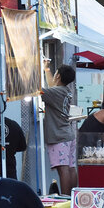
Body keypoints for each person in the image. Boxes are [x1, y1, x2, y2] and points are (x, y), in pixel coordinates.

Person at [42, 64, 77, 195]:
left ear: (58, 76)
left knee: (63, 170)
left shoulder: (56, 92)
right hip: (67, 134)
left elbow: (37, 90)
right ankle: (73, 197)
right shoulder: (65, 91)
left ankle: (66, 198)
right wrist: (47, 69)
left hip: (58, 136)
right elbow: (52, 86)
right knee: (71, 168)